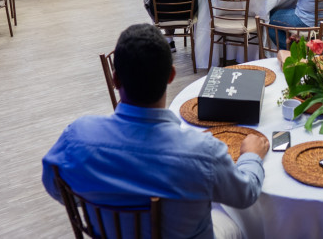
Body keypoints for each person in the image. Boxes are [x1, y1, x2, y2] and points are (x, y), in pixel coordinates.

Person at [42, 24, 268, 239]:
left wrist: (104, 197)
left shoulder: (77, 138)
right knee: (235, 224)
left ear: (115, 79)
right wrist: (251, 155)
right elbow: (246, 194)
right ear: (171, 75)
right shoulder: (203, 153)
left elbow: (56, 187)